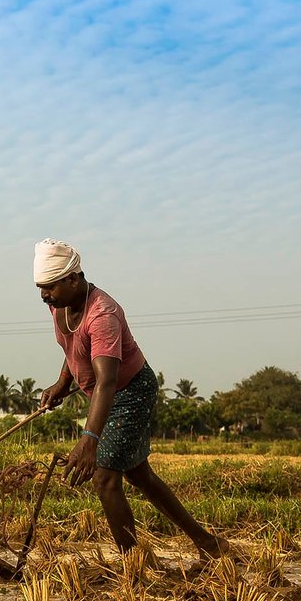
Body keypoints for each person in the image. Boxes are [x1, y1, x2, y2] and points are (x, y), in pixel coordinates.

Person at [32, 238, 228, 560]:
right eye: (40, 287)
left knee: (105, 477)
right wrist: (62, 382)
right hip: (104, 394)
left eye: (49, 287)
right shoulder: (60, 306)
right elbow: (74, 348)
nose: (43, 295)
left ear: (72, 278)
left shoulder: (102, 314)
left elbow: (108, 381)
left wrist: (89, 439)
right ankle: (209, 544)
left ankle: (134, 565)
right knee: (141, 476)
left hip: (129, 391)